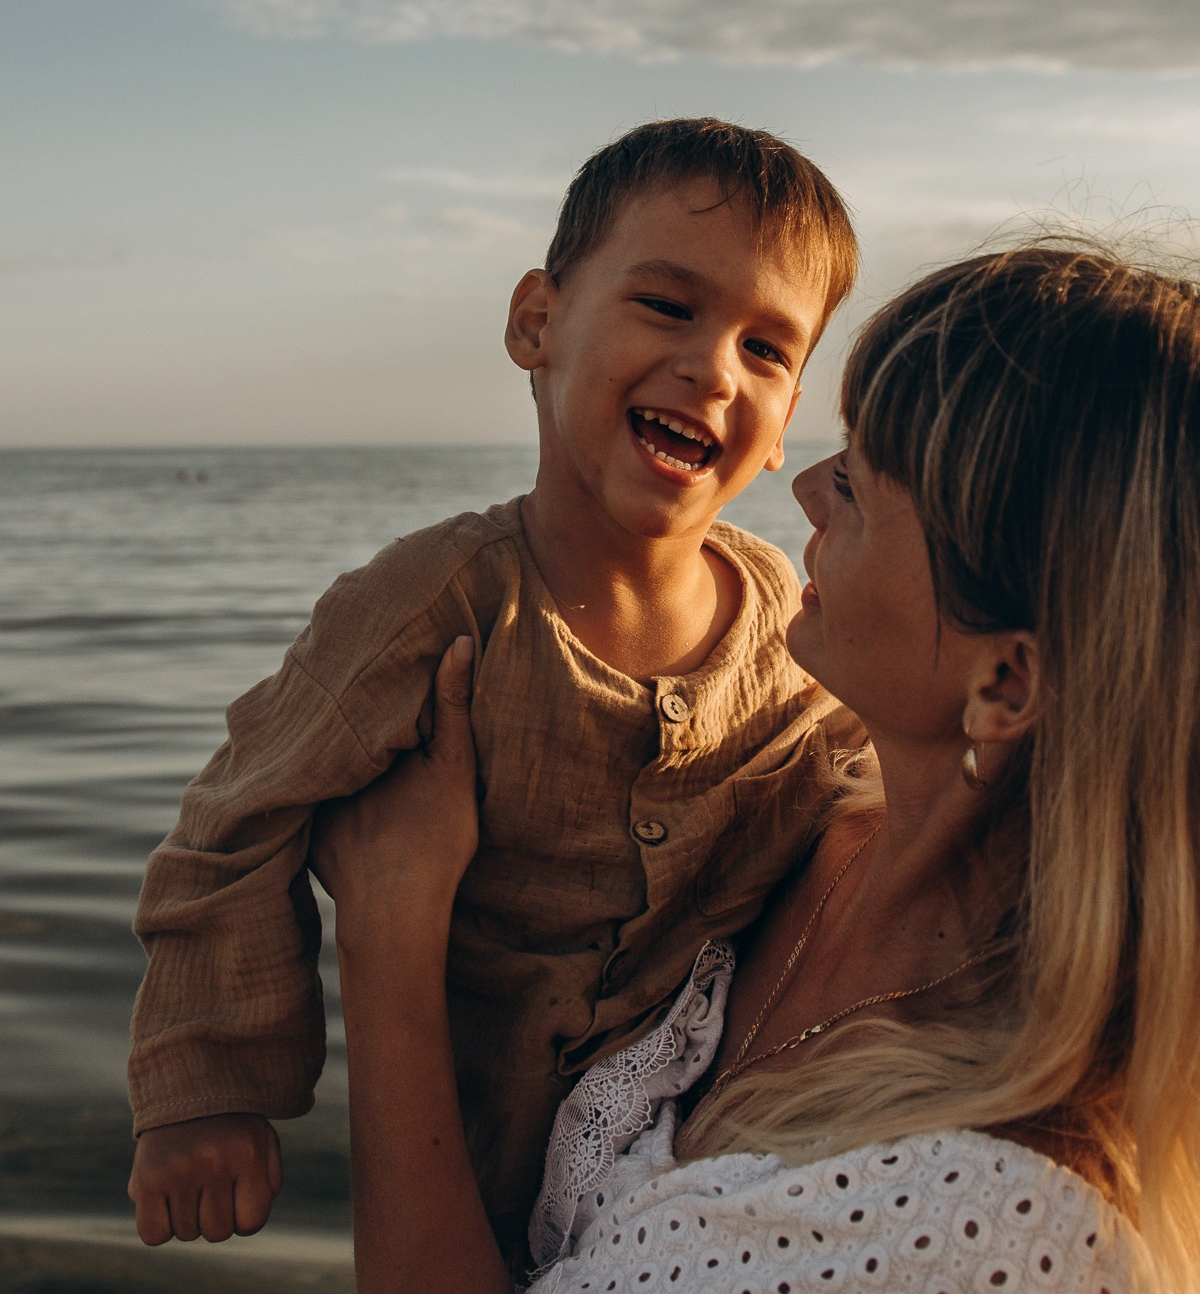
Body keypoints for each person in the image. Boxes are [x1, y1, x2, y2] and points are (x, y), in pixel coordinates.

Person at [314, 240, 1198, 1293]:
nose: (810, 489)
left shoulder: (989, 1227)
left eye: (866, 487)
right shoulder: (800, 811)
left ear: (1005, 686)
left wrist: (388, 934)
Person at [126, 117, 862, 1261]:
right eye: (668, 308)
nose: (715, 367)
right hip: (467, 1179)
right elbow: (233, 826)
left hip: (673, 1193)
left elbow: (869, 781)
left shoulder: (789, 628)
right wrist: (207, 1088)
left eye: (768, 350)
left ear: (783, 434)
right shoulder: (436, 606)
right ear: (538, 321)